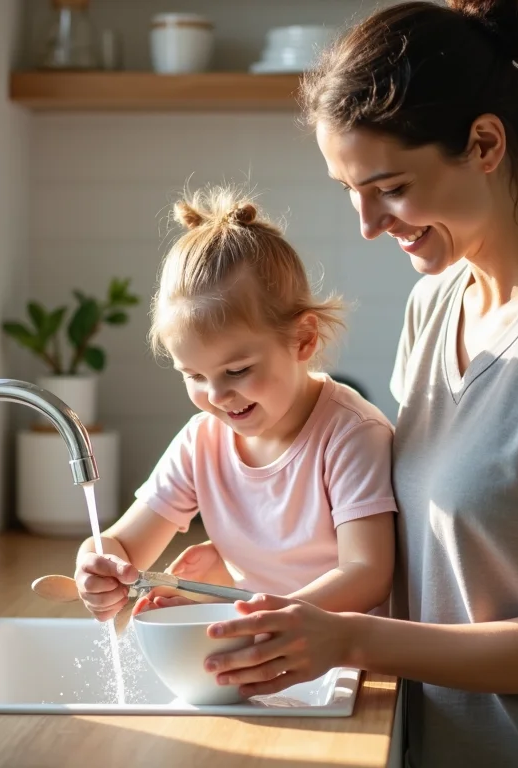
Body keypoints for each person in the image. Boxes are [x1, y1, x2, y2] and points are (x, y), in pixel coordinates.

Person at [199, 2, 518, 767]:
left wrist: (348, 639)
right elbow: (416, 548)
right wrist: (239, 570)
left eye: (389, 186)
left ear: (485, 144)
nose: (367, 222)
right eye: (349, 189)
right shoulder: (437, 302)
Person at [73, 184, 397, 624]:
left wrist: (259, 615)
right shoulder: (201, 441)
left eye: (238, 370)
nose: (217, 396)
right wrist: (97, 564)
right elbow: (123, 545)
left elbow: (367, 574)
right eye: (194, 376)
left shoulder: (351, 434)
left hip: (343, 662)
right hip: (261, 646)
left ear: (303, 339)